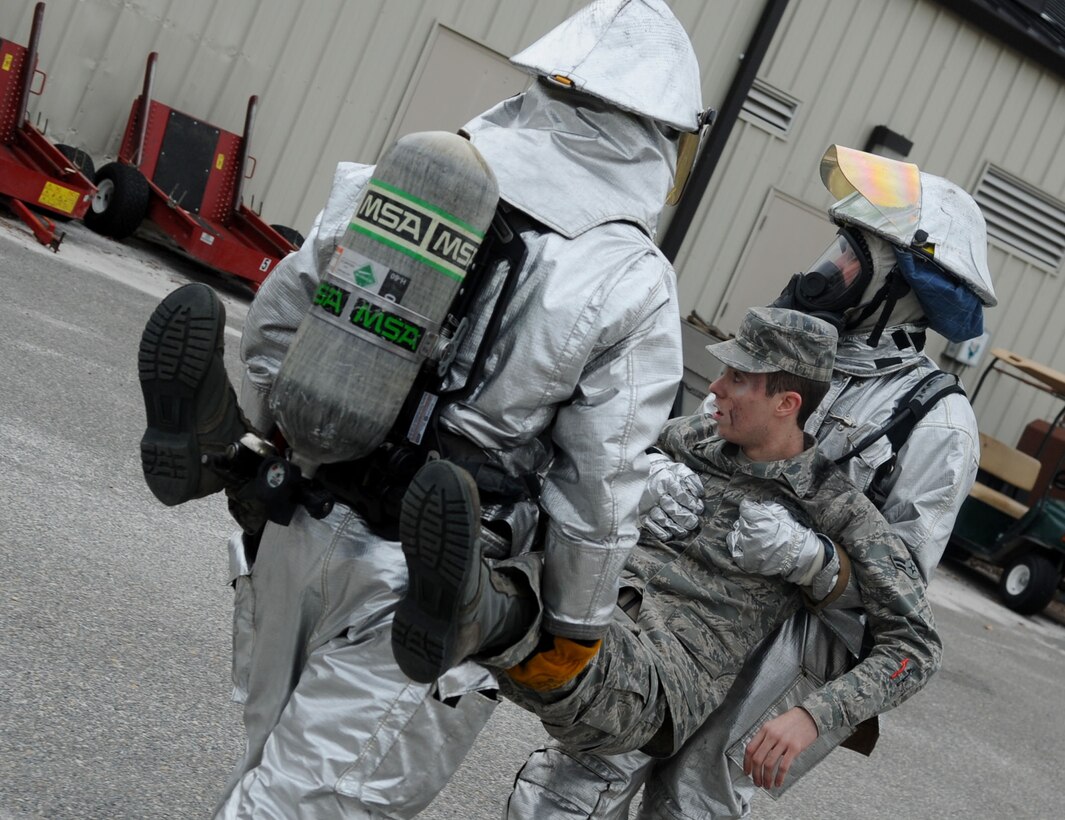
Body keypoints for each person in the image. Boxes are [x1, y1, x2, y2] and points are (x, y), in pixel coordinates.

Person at [135, 1, 710, 817]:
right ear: (662, 136)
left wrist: (275, 420)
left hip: (297, 517)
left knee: (271, 764)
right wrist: (574, 627)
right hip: (435, 585)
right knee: (314, 802)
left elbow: (278, 323)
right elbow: (600, 485)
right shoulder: (630, 278)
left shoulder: (412, 175)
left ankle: (226, 446)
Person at [507, 146, 996, 818]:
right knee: (580, 772)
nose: (829, 270)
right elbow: (677, 437)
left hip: (795, 649)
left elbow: (898, 605)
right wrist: (655, 476)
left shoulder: (935, 424)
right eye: (838, 249)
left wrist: (813, 561)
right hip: (694, 602)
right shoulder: (783, 346)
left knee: (689, 803)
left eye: (851, 257)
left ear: (902, 286)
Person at [393, 305, 943, 787]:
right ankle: (475, 601)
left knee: (575, 636)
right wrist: (644, 472)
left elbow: (915, 649)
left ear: (786, 403)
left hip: (661, 677)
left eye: (737, 378)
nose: (715, 388)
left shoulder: (836, 507)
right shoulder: (690, 439)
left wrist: (817, 714)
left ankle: (479, 609)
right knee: (551, 579)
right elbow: (585, 452)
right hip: (596, 597)